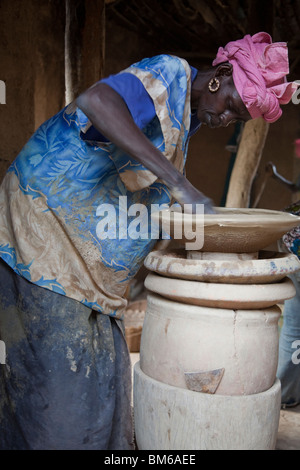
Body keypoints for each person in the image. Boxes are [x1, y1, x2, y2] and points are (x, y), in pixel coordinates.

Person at [0, 32, 297, 450]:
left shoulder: (186, 119)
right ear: (220, 76)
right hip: (43, 235)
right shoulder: (170, 73)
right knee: (57, 390)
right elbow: (96, 103)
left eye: (239, 117)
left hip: (86, 265)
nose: (228, 118)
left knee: (108, 378)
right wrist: (179, 183)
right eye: (232, 104)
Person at [277, 199, 300, 408]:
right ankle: (286, 394)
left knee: (295, 326)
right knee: (295, 327)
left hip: (291, 232)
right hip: (295, 239)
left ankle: (286, 393)